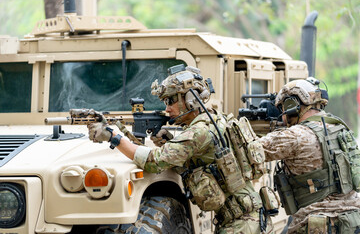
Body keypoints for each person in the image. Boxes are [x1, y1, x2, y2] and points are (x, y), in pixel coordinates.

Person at [86, 64, 273, 233]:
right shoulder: (216, 120)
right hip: (246, 219)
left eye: (170, 101)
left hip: (241, 224)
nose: (167, 109)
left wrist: (114, 137)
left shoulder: (199, 131)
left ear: (190, 99)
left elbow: (154, 162)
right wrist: (167, 142)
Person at [259, 77, 360, 233]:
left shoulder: (295, 135)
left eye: (283, 109)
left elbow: (250, 150)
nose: (283, 116)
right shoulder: (340, 128)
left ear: (292, 106)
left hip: (317, 224)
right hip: (352, 221)